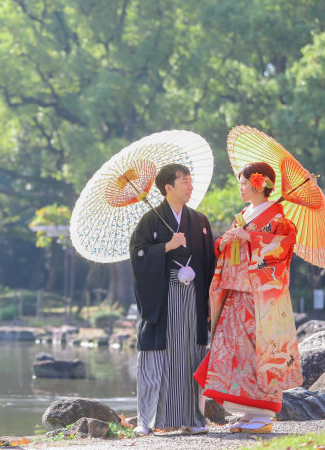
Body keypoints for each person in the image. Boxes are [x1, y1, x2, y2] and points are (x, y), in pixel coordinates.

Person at [194, 162, 302, 434]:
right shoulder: (244, 214)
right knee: (232, 350)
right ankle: (247, 411)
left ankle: (264, 414)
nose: (240, 187)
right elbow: (230, 248)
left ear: (259, 183)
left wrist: (251, 236)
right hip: (236, 292)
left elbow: (283, 248)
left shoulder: (279, 219)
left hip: (260, 297)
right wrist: (227, 240)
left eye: (243, 182)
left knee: (261, 350)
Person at [129, 163, 216, 436]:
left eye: (191, 182)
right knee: (157, 359)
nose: (191, 187)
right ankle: (148, 421)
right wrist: (166, 246)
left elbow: (210, 265)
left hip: (193, 297)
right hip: (163, 299)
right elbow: (138, 255)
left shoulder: (200, 221)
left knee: (190, 356)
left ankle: (192, 418)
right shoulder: (150, 220)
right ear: (169, 187)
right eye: (185, 182)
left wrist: (209, 304)